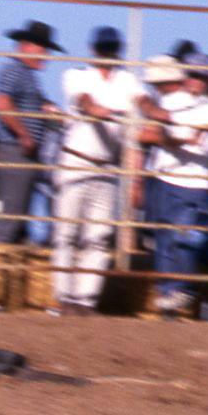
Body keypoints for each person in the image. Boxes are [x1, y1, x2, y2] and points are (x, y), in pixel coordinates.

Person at [137, 52, 208, 315]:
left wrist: (174, 129)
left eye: (200, 75)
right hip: (161, 177)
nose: (194, 80)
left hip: (193, 182)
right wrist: (179, 136)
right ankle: (167, 294)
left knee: (183, 237)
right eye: (190, 74)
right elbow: (147, 132)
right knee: (162, 239)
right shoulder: (169, 102)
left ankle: (181, 288)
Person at [48, 26, 138, 312]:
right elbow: (84, 102)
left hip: (107, 167)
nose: (107, 54)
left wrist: (154, 111)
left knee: (97, 237)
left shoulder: (127, 81)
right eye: (104, 49)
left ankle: (85, 299)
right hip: (77, 160)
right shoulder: (77, 76)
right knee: (67, 233)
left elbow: (142, 99)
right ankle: (64, 297)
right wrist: (106, 112)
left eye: (110, 49)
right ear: (95, 51)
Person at [0, 22, 63, 251]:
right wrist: (25, 135)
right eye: (42, 50)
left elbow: (38, 103)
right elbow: (1, 103)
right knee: (12, 214)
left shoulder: (27, 76)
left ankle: (7, 259)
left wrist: (49, 108)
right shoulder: (13, 71)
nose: (46, 56)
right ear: (26, 46)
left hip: (22, 151)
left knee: (19, 216)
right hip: (16, 149)